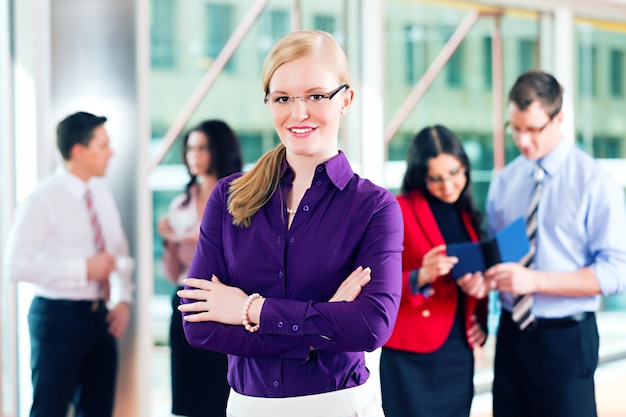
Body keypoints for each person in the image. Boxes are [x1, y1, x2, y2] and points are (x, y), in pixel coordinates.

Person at [175, 30, 404, 417]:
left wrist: (250, 310)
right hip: (247, 407)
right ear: (268, 102)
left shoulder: (375, 207)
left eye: (316, 95)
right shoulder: (229, 197)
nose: (299, 114)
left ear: (345, 99)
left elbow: (371, 325)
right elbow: (199, 325)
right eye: (283, 98)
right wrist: (317, 331)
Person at [459, 70, 626, 417]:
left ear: (559, 118)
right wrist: (485, 280)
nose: (523, 141)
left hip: (566, 338)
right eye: (516, 128)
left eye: (533, 129)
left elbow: (616, 272)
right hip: (511, 333)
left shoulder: (593, 182)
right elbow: (499, 253)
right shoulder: (506, 181)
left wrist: (535, 282)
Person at [4, 111, 134, 417]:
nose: (111, 153)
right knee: (50, 409)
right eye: (103, 145)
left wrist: (124, 300)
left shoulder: (102, 196)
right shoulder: (42, 199)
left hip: (99, 318)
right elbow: (15, 265)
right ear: (79, 151)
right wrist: (82, 269)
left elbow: (119, 252)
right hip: (57, 319)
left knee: (99, 410)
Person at [379, 125, 488, 417]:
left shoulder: (468, 213)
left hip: (457, 352)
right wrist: (419, 276)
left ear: (465, 166)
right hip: (410, 355)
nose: (449, 185)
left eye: (455, 173)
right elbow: (372, 283)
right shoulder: (397, 209)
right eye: (436, 178)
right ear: (420, 177)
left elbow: (472, 275)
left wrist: (480, 312)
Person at [157, 120, 243, 417]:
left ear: (219, 149)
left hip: (228, 307)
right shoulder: (180, 204)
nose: (194, 155)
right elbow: (172, 274)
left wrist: (201, 240)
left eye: (203, 148)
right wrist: (168, 242)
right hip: (186, 303)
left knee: (226, 394)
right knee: (190, 397)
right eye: (190, 148)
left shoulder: (241, 197)